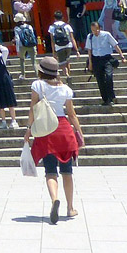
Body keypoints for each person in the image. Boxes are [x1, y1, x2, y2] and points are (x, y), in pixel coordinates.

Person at [26, 56, 85, 224]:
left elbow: (32, 109)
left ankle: (54, 200)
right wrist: (79, 133)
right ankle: (70, 207)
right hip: (64, 129)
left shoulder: (38, 85)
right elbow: (72, 114)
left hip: (46, 129)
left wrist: (28, 130)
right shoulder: (66, 89)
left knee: (50, 170)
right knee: (67, 171)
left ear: (41, 71)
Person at [86, 21, 126, 106]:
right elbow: (89, 50)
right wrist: (90, 63)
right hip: (96, 60)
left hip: (106, 59)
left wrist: (122, 56)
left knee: (108, 77)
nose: (95, 32)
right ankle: (105, 99)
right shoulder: (90, 37)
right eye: (92, 30)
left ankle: (111, 97)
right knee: (100, 80)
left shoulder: (106, 35)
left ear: (99, 28)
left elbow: (115, 45)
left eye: (96, 30)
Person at [0, 43, 19, 129]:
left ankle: (14, 120)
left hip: (5, 80)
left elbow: (6, 50)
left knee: (10, 101)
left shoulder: (2, 57)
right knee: (0, 103)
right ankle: (3, 121)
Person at [47, 11, 80, 77]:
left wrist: (54, 52)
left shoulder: (52, 27)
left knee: (62, 63)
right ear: (62, 18)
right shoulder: (67, 26)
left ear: (54, 18)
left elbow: (52, 40)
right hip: (68, 45)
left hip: (59, 47)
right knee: (67, 60)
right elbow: (72, 38)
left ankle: (67, 75)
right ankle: (69, 74)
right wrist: (77, 50)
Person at [13, 12, 38, 79]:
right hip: (31, 45)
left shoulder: (16, 28)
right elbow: (32, 35)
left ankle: (23, 75)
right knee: (34, 61)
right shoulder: (29, 26)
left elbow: (17, 39)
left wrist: (17, 50)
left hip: (22, 46)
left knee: (22, 60)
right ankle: (37, 75)